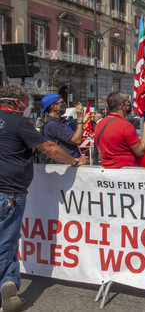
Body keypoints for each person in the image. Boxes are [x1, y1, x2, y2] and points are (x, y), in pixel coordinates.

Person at [0, 85, 88, 312]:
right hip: (9, 193)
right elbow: (49, 147)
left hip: (8, 191)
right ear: (17, 103)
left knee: (10, 239)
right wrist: (74, 162)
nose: (30, 106)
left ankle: (9, 286)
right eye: (28, 101)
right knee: (5, 242)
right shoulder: (19, 123)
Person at [94, 91, 145, 169]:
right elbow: (140, 151)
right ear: (122, 106)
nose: (130, 105)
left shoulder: (99, 125)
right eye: (128, 102)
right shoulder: (126, 126)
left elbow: (100, 151)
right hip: (126, 173)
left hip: (107, 172)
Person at [40, 94, 85, 164]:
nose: (64, 104)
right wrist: (80, 118)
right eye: (62, 102)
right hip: (64, 165)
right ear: (53, 107)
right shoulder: (53, 125)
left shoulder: (60, 121)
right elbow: (77, 140)